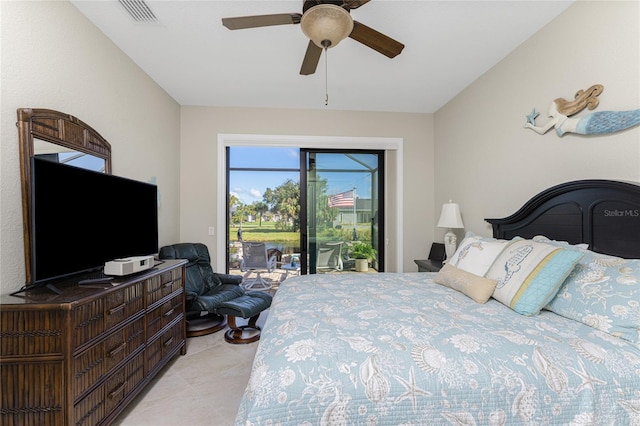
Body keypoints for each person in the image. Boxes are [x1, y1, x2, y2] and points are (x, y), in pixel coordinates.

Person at [524, 84, 640, 136]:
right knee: (621, 120)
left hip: (587, 123)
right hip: (585, 125)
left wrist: (530, 126)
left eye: (550, 107)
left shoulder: (557, 119)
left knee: (621, 120)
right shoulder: (558, 119)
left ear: (557, 108)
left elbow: (542, 130)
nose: (548, 110)